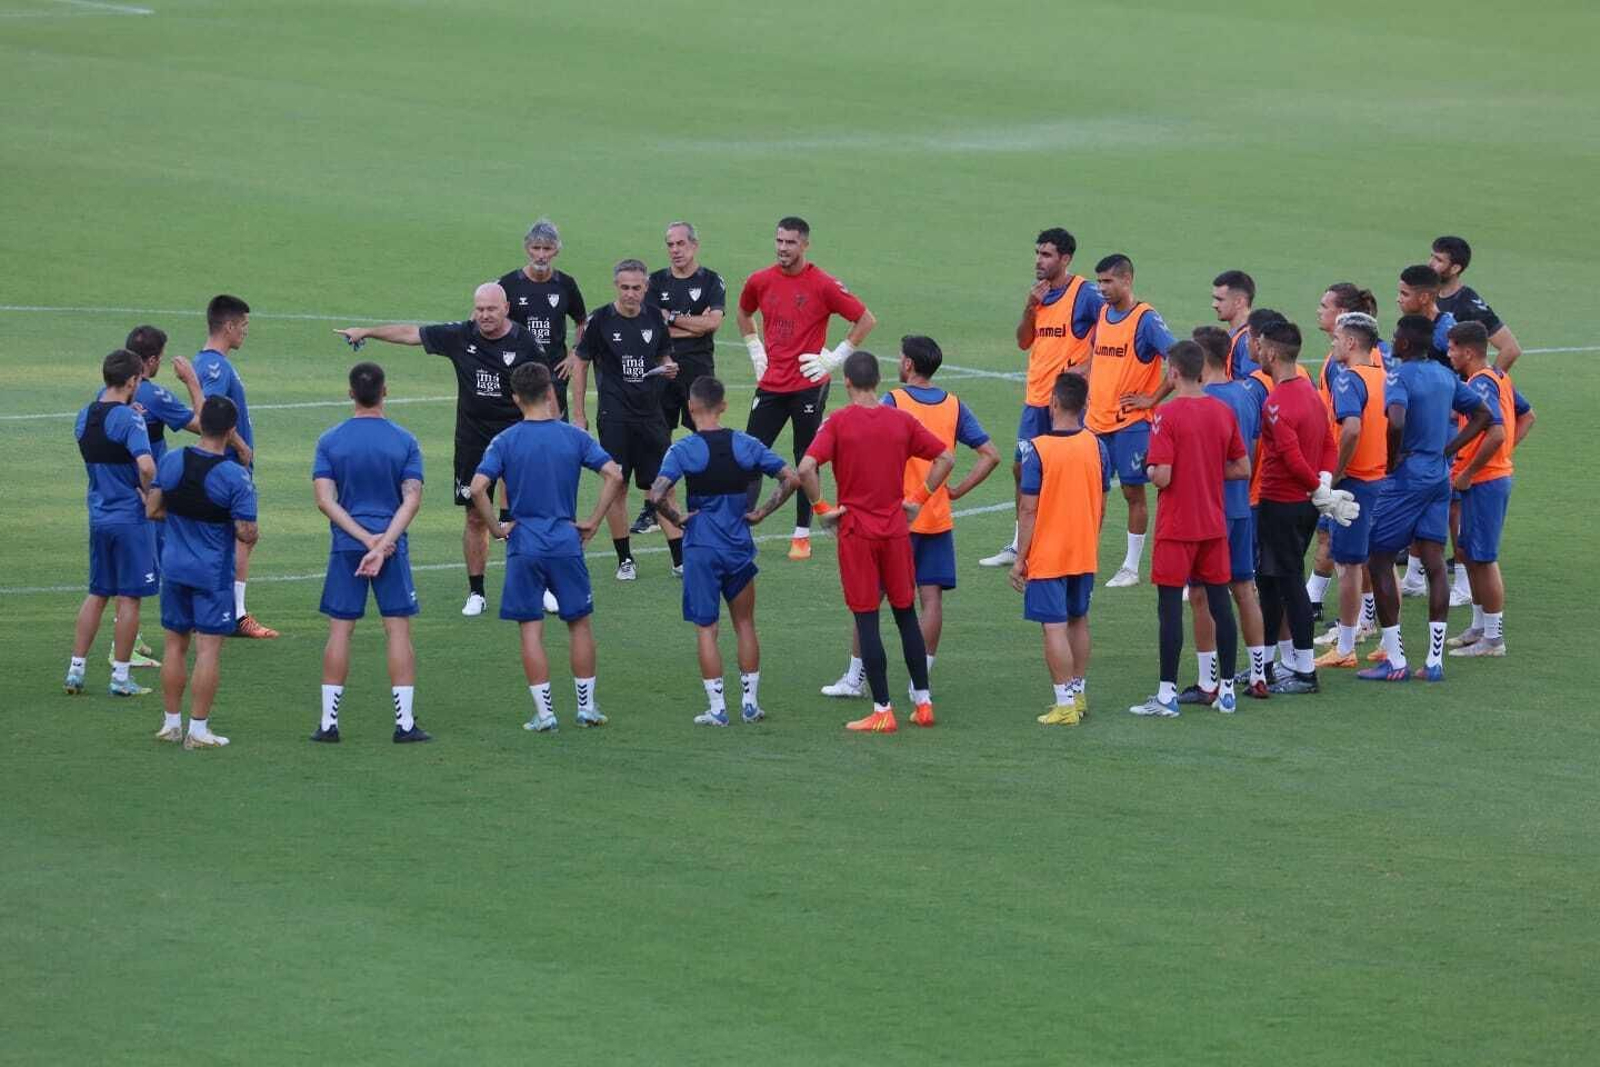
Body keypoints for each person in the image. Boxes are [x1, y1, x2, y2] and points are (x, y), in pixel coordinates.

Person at [335, 282, 548, 617]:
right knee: (475, 514)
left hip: (517, 437)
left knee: (529, 511)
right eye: (479, 309)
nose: (484, 315)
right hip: (473, 440)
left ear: (506, 308)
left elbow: (543, 389)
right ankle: (476, 592)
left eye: (491, 309)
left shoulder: (524, 342)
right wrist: (368, 332)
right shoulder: (461, 336)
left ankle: (540, 585)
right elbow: (410, 333)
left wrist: (549, 429)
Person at [822, 335, 999, 698]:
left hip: (893, 518)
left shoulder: (893, 401)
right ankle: (921, 681)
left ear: (908, 365)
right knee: (930, 598)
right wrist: (956, 491)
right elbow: (990, 454)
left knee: (869, 598)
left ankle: (856, 678)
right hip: (935, 518)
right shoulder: (954, 404)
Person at [798, 351, 953, 733]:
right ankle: (923, 701)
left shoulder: (838, 423)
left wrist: (821, 508)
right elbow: (946, 457)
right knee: (905, 615)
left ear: (847, 382)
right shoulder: (900, 420)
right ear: (878, 382)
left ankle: (882, 709)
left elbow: (805, 468)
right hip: (896, 531)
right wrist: (918, 498)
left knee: (867, 618)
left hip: (857, 534)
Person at [471, 363, 625, 731]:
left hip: (524, 543)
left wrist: (496, 528)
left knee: (530, 629)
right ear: (550, 393)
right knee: (579, 624)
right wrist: (593, 519)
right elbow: (615, 474)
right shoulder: (574, 437)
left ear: (515, 399)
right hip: (565, 541)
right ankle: (586, 708)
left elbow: (477, 487)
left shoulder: (505, 440)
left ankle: (545, 714)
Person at [646, 376, 800, 725]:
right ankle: (750, 704)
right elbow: (791, 478)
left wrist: (679, 517)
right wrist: (761, 512)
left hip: (701, 548)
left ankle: (717, 709)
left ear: (691, 407)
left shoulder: (682, 450)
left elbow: (655, 495)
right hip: (738, 546)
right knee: (744, 623)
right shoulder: (747, 444)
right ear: (724, 406)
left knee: (706, 629)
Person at [1358, 316, 1495, 683]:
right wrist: (1447, 451)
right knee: (1434, 561)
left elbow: (1397, 421)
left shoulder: (1400, 376)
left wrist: (1391, 459)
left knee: (1379, 560)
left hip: (1407, 479)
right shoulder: (1445, 375)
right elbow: (1484, 415)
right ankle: (1434, 662)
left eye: (1396, 337)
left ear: (1403, 344)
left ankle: (1396, 659)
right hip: (1438, 476)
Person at [737, 216, 877, 561]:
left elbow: (865, 319)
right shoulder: (760, 280)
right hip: (771, 384)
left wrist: (834, 358)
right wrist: (756, 349)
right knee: (749, 455)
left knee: (806, 460)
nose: (783, 248)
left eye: (790, 242)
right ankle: (740, 531)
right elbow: (743, 312)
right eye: (779, 241)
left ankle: (801, 534)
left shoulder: (823, 284)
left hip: (808, 386)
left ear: (805, 245)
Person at [1127, 341, 1249, 718]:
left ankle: (1167, 696)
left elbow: (1161, 476)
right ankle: (1227, 690)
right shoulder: (1222, 412)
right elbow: (1242, 467)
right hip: (1213, 524)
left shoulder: (1166, 415)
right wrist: (1208, 470)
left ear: (1174, 373)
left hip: (1177, 526)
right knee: (1220, 606)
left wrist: (1149, 468)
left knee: (1169, 610)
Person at [310, 362, 430, 744]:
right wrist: (382, 544)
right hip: (392, 546)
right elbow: (411, 501)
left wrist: (364, 540)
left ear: (350, 393)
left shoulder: (330, 440)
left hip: (348, 546)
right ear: (385, 391)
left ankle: (329, 725)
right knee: (397, 630)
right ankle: (405, 724)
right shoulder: (405, 441)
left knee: (340, 632)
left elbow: (325, 501)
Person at [979, 228, 1102, 567]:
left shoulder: (1086, 293)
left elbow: (1113, 327)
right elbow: (1023, 340)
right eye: (1037, 253)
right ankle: (1021, 544)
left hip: (1067, 403)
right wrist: (1029, 307)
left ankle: (1071, 545)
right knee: (1023, 469)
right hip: (1036, 398)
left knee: (1068, 474)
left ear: (1065, 259)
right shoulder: (1039, 295)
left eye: (1046, 254)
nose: (1039, 260)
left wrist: (1087, 366)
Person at [145, 396, 258, 749]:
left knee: (174, 646)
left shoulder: (173, 459)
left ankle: (170, 724)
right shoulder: (234, 476)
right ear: (230, 431)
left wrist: (183, 519)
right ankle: (198, 730)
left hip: (174, 566)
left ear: (202, 423)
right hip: (211, 572)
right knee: (208, 650)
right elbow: (247, 533)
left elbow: (152, 510)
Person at [1253, 322, 1352, 696]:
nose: (1258, 353)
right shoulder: (1312, 394)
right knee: (1271, 579)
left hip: (1282, 502)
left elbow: (1293, 457)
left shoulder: (1277, 403)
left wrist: (1316, 487)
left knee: (1287, 581)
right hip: (1305, 503)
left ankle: (1305, 671)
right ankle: (1270, 665)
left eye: (1261, 347)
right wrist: (1323, 485)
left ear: (1273, 354)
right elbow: (1328, 442)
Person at [569, 258, 683, 580]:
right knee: (616, 486)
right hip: (615, 417)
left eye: (637, 288)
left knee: (663, 488)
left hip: (651, 416)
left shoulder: (655, 320)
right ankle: (625, 560)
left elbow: (663, 356)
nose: (631, 294)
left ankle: (679, 559)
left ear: (646, 287)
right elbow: (580, 363)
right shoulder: (601, 320)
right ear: (616, 286)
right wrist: (578, 414)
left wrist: (669, 366)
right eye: (625, 288)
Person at [1008, 372, 1108, 724]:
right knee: (1079, 620)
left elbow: (1028, 508)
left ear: (1052, 403)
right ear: (1084, 406)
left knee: (1053, 626)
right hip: (1084, 549)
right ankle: (1078, 694)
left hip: (1049, 554)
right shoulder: (1097, 445)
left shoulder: (1039, 450)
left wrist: (1020, 559)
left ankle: (1064, 703)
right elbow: (1103, 501)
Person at [1178, 327, 1271, 702]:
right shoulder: (1246, 394)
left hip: (1207, 511)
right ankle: (1260, 674)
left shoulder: (1203, 403)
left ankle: (1208, 681)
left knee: (1201, 593)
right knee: (1244, 590)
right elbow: (1251, 450)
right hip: (1241, 507)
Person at [65, 349, 158, 697]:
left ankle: (76, 670)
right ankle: (120, 678)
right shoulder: (130, 420)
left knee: (98, 592)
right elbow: (146, 466)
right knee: (130, 597)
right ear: (133, 381)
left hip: (99, 513)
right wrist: (149, 494)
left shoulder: (83, 416)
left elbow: (103, 433)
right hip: (130, 518)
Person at [1083, 253, 1175, 588]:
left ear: (1127, 280)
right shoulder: (1104, 313)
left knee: (1133, 492)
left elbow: (1176, 359)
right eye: (1100, 282)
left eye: (1108, 281)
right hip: (1095, 423)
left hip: (1130, 425)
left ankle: (1131, 567)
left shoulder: (1146, 320)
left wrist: (1153, 398)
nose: (1102, 288)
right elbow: (1096, 355)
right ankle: (1084, 555)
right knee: (1092, 492)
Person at [115, 325, 202, 669]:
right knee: (145, 568)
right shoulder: (152, 395)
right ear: (150, 361)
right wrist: (192, 382)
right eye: (161, 359)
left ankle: (129, 638)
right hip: (146, 493)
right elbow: (204, 424)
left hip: (115, 487)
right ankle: (122, 650)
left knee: (128, 567)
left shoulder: (106, 391)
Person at [193, 295, 277, 638]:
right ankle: (236, 613)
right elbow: (210, 412)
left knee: (235, 537)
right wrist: (241, 447)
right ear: (227, 326)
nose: (245, 332)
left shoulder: (214, 363)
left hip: (225, 467)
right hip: (226, 468)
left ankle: (228, 610)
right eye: (243, 326)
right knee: (244, 534)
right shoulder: (215, 366)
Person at [1312, 313, 1390, 670]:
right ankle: (1391, 643)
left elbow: (1352, 430)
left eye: (1337, 338)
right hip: (1380, 480)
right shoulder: (1383, 377)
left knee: (1348, 566)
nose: (1333, 343)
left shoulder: (1348, 379)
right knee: (1381, 563)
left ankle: (1345, 646)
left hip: (1355, 484)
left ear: (1352, 343)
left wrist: (1336, 474)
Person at [1444, 321, 1522, 659]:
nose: (1448, 353)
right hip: (1486, 476)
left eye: (1452, 348)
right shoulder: (1497, 377)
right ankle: (1478, 627)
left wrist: (1474, 469)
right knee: (1468, 553)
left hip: (1485, 481)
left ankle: (1493, 639)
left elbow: (1495, 433)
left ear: (1469, 351)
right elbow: (1527, 415)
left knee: (1484, 558)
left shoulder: (1481, 385)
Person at [497, 218, 587, 419]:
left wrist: (575, 353)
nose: (541, 255)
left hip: (554, 372)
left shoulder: (566, 284)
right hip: (516, 368)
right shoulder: (509, 284)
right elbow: (490, 319)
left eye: (547, 248)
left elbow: (582, 320)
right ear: (527, 248)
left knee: (553, 425)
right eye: (536, 248)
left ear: (556, 251)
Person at [647, 221, 726, 435]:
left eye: (680, 243)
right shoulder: (653, 282)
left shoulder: (711, 281)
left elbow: (713, 323)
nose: (675, 250)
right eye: (670, 245)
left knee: (704, 433)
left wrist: (671, 317)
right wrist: (697, 328)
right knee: (658, 435)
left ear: (694, 244)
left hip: (699, 369)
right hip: (664, 368)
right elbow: (652, 330)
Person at [1429, 236, 1523, 372]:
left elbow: (1510, 349)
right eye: (1432, 257)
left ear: (1455, 268)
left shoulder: (1469, 304)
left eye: (1438, 260)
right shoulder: (1430, 294)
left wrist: (1487, 382)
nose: (1430, 264)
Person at [1396, 265, 1458, 366]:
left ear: (1424, 298)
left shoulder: (1446, 331)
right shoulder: (1408, 324)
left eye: (1405, 294)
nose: (1398, 299)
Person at [1211, 269, 1259, 378]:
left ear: (1239, 302)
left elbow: (1254, 388)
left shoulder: (1248, 339)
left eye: (1219, 299)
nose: (1214, 305)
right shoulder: (1234, 333)